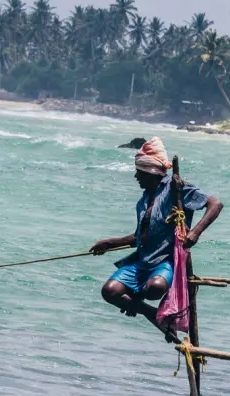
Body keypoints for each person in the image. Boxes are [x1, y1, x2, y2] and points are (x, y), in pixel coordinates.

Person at [91, 137, 223, 340]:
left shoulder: (176, 189)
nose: (136, 177)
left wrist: (195, 232)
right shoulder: (144, 200)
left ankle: (144, 305)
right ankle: (152, 313)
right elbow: (140, 237)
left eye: (139, 172)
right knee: (110, 291)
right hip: (143, 260)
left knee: (155, 288)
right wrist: (109, 243)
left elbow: (215, 204)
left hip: (166, 261)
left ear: (151, 173)